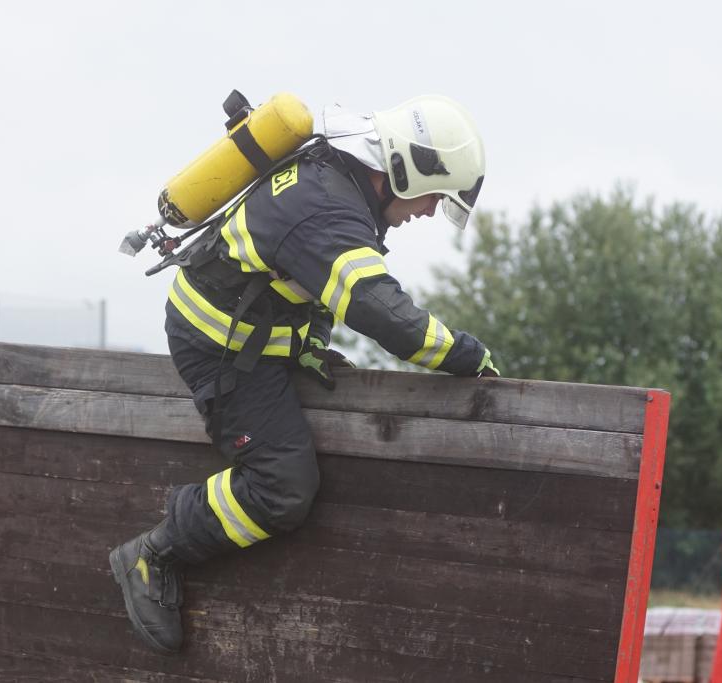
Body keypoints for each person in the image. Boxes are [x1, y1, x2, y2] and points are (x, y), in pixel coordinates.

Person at [109, 94, 500, 653]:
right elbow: (382, 313)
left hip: (261, 336)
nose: (430, 211)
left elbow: (305, 280)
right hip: (224, 350)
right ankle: (153, 553)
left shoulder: (334, 175)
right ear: (406, 171)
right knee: (281, 489)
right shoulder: (326, 209)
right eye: (434, 197)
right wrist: (469, 356)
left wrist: (309, 346)